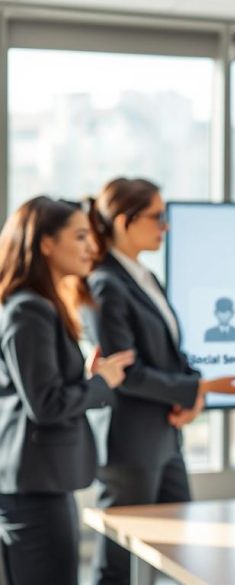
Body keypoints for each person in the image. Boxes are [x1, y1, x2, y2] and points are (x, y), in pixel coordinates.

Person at [83, 177, 235, 585]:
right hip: (129, 446)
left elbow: (170, 353)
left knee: (178, 551)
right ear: (125, 221)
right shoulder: (104, 284)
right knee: (118, 564)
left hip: (164, 436)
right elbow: (126, 373)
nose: (166, 226)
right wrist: (199, 388)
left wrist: (193, 392)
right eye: (158, 216)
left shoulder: (144, 276)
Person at [0, 196, 133, 585]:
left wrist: (87, 380)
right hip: (34, 486)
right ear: (45, 243)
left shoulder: (35, 306)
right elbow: (46, 405)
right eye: (79, 236)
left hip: (38, 483)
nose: (91, 247)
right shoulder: (29, 310)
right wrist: (101, 384)